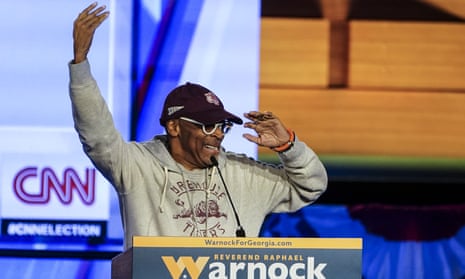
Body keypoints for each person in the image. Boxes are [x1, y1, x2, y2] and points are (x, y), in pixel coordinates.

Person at [70, 2, 327, 250]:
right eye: (206, 126)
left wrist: (288, 147)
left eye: (222, 126)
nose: (217, 134)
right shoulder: (137, 167)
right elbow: (97, 136)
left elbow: (310, 187)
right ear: (174, 127)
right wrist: (80, 65)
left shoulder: (244, 175)